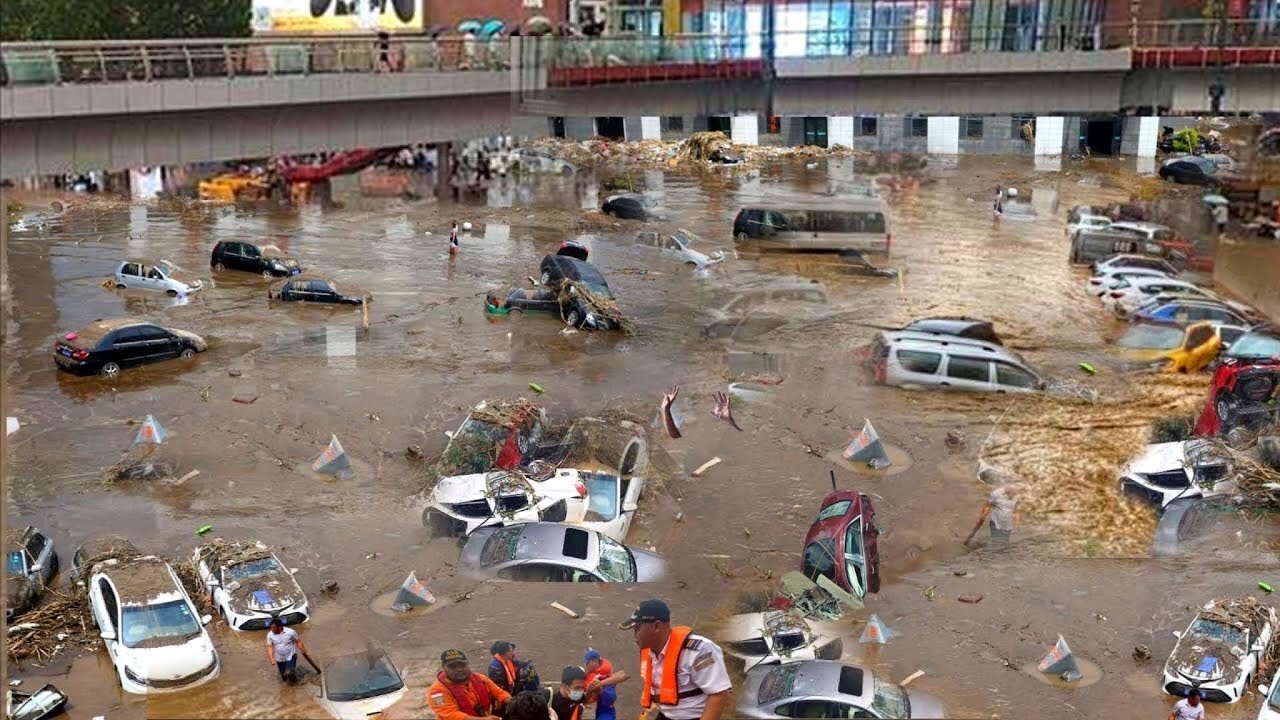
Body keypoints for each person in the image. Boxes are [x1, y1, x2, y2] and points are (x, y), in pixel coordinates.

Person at [622, 599, 732, 720]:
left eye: (637, 628)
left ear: (657, 626)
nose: (634, 635)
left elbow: (719, 694)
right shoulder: (649, 651)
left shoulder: (698, 650)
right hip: (665, 715)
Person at [427, 649, 511, 720]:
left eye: (462, 665)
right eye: (453, 666)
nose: (459, 669)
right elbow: (451, 714)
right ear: (443, 668)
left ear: (468, 664)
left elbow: (500, 693)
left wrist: (516, 703)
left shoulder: (481, 678)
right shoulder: (436, 692)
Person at [583, 648, 628, 720]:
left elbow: (611, 698)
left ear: (595, 661)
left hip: (606, 711)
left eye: (588, 663)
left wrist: (601, 689)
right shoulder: (591, 674)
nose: (586, 665)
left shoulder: (605, 676)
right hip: (599, 709)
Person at [265, 618, 307, 683]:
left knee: (289, 672)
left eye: (274, 628)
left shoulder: (291, 632)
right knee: (284, 677)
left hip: (291, 656)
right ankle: (289, 689)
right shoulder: (270, 635)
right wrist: (271, 658)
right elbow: (269, 647)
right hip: (279, 658)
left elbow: (298, 642)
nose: (272, 630)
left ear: (280, 627)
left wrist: (302, 650)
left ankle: (295, 685)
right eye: (271, 628)